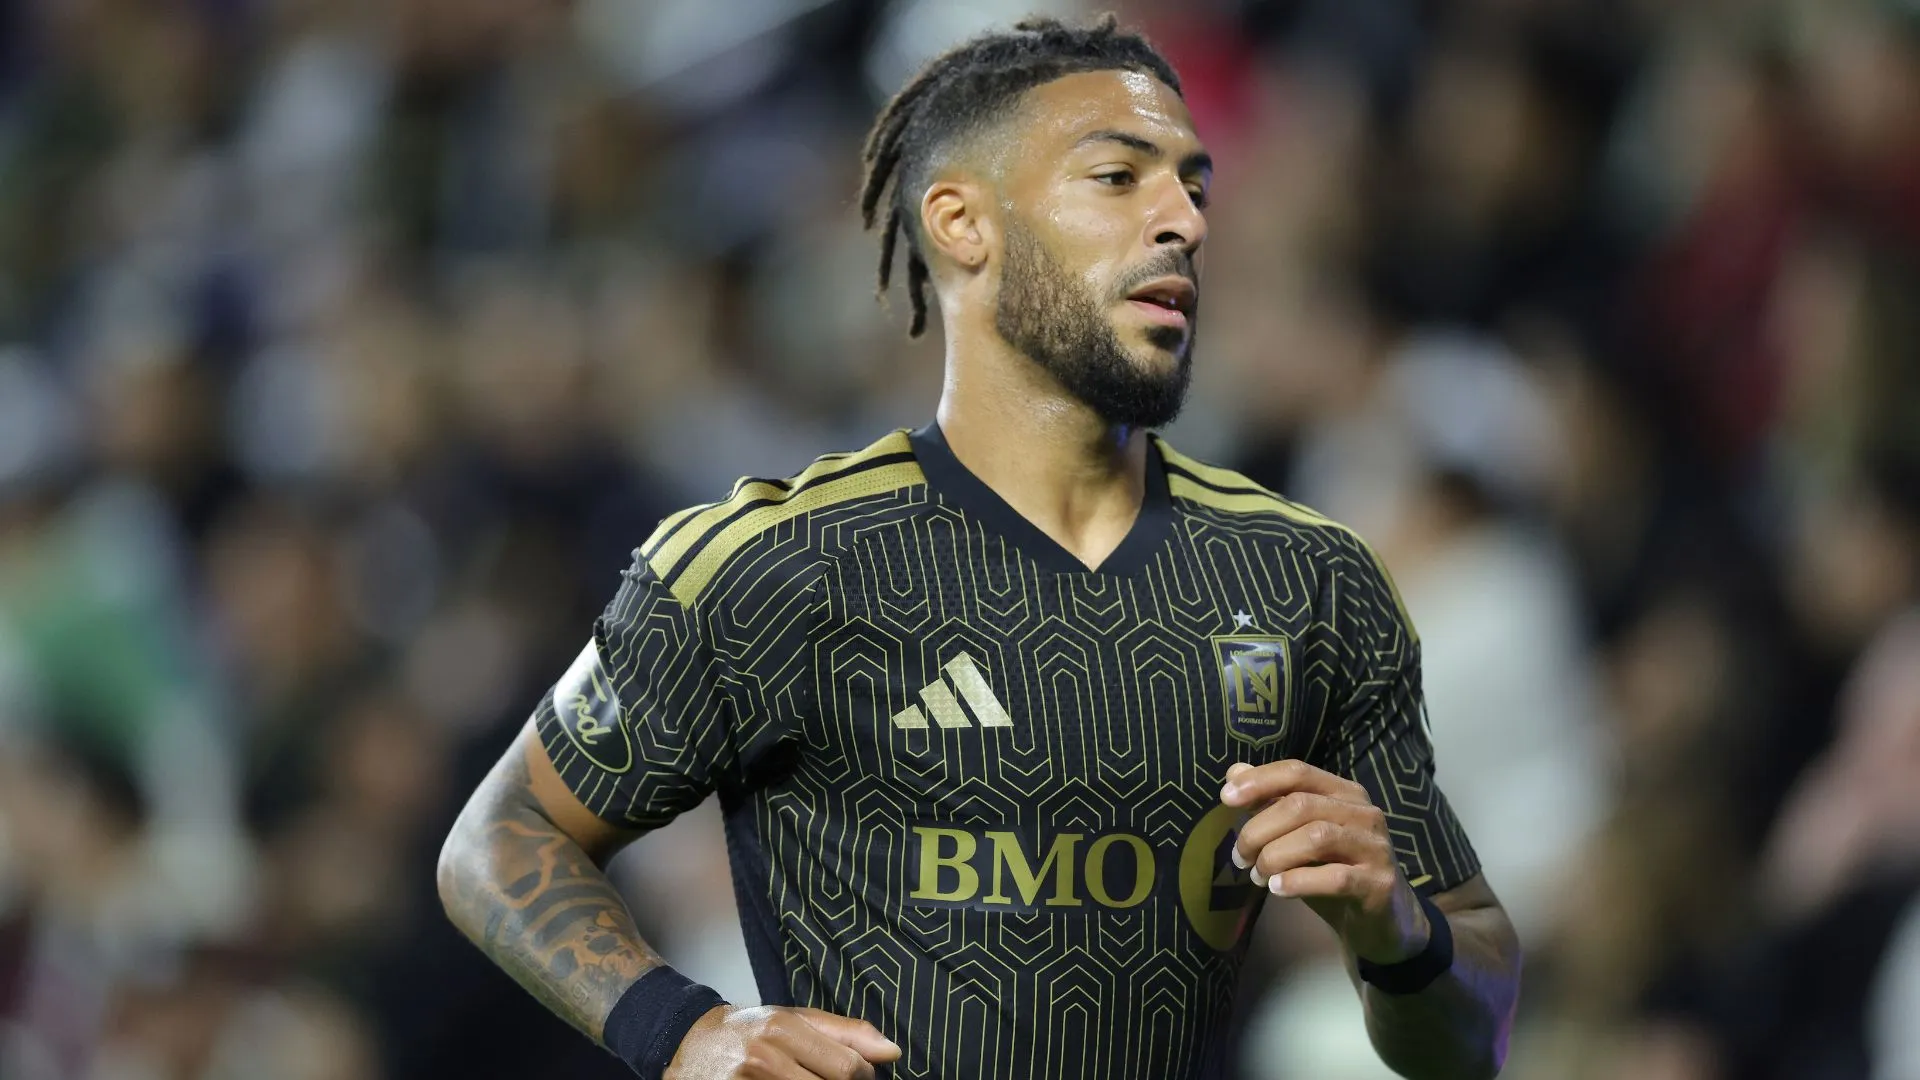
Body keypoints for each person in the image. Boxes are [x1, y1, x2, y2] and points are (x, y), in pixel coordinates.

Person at [436, 15, 1519, 1080]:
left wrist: (1400, 931)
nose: (1183, 220)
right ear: (962, 224)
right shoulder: (779, 565)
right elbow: (501, 837)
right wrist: (680, 1030)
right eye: (1118, 178)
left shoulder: (1308, 580)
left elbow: (1474, 1032)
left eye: (1195, 184)